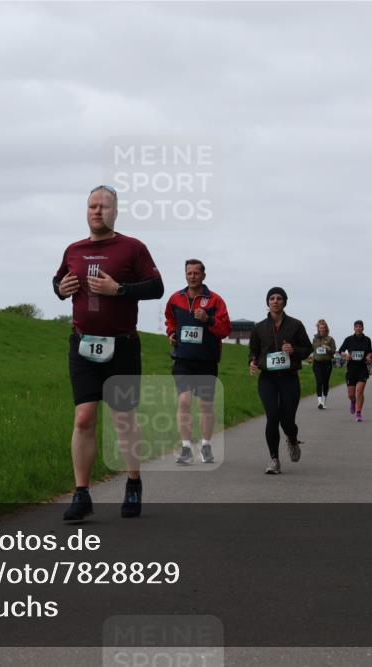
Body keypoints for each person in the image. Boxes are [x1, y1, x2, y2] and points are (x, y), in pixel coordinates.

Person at [53, 185, 163, 521]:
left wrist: (120, 290)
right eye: (91, 206)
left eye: (103, 206)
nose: (96, 211)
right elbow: (58, 281)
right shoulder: (74, 249)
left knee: (122, 418)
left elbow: (156, 287)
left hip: (123, 346)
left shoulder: (132, 248)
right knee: (84, 417)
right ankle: (82, 493)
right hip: (83, 343)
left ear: (115, 211)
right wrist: (61, 289)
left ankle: (132, 483)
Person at [164, 259, 232, 464]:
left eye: (196, 273)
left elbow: (225, 329)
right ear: (185, 275)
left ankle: (206, 446)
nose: (192, 276)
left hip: (206, 360)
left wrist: (208, 320)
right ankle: (185, 448)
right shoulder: (176, 298)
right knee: (184, 402)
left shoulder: (215, 300)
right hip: (183, 359)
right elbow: (170, 319)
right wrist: (172, 332)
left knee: (205, 406)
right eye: (189, 273)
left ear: (203, 275)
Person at [248, 288, 313, 474]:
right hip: (267, 378)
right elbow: (253, 350)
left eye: (279, 298)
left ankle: (292, 439)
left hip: (289, 378)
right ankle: (274, 459)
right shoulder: (259, 327)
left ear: (284, 302)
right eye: (272, 298)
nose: (275, 301)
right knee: (272, 416)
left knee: (287, 421)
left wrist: (294, 350)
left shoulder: (295, 325)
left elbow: (307, 348)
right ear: (267, 302)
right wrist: (252, 362)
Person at [339, 320, 372, 423]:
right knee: (351, 394)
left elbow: (369, 352)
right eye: (356, 326)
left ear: (363, 328)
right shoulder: (348, 339)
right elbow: (340, 350)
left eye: (360, 326)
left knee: (359, 391)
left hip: (362, 369)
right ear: (354, 328)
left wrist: (368, 356)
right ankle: (353, 401)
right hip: (351, 369)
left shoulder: (367, 340)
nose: (358, 328)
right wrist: (345, 355)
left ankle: (358, 413)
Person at [309, 319, 337, 409]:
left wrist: (328, 348)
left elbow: (334, 351)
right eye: (320, 328)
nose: (322, 329)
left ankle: (324, 401)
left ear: (326, 329)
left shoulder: (330, 339)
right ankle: (319, 402)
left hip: (327, 363)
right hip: (317, 363)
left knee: (325, 382)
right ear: (318, 328)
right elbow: (311, 349)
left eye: (323, 328)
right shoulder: (315, 339)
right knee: (319, 381)